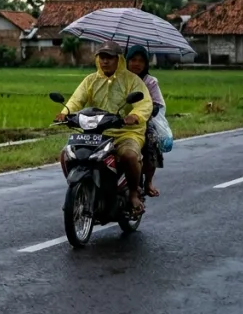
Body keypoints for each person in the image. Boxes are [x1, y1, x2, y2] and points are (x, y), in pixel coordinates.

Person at [54, 41, 153, 217]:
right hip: (96, 132)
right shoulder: (91, 80)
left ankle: (132, 193)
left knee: (129, 156)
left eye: (110, 58)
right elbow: (76, 99)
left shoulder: (132, 80)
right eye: (102, 57)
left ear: (119, 60)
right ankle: (79, 190)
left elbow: (144, 103)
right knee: (66, 154)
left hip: (126, 132)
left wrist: (135, 116)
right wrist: (65, 113)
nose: (105, 61)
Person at [126, 44, 166, 198]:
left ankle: (148, 182)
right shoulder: (119, 78)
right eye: (133, 60)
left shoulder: (150, 82)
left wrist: (147, 110)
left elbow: (157, 103)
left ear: (146, 64)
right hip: (117, 120)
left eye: (141, 61)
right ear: (126, 61)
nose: (136, 64)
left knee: (151, 142)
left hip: (142, 121)